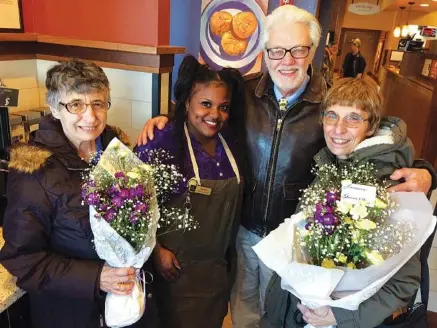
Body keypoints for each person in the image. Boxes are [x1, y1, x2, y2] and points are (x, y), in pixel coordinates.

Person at [136, 5, 435, 327]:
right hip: (243, 234)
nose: (287, 60)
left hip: (297, 241)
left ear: (312, 51)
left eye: (298, 49)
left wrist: (426, 170)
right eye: (277, 50)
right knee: (245, 314)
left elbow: (377, 137)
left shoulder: (331, 102)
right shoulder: (244, 93)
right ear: (265, 52)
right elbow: (202, 109)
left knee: (284, 317)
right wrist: (165, 120)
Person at [0, 59, 153, 328]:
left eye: (97, 103)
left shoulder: (117, 152)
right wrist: (96, 278)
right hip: (70, 314)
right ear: (54, 108)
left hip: (122, 301)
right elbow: (22, 259)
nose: (90, 117)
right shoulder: (34, 172)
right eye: (75, 104)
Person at [261, 76, 421, 328]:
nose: (338, 128)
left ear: (371, 126)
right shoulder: (328, 166)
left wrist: (340, 317)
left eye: (354, 118)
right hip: (295, 312)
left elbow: (405, 282)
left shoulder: (391, 185)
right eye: (332, 115)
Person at [135, 55, 246, 328]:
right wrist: (156, 250)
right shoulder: (162, 140)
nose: (214, 114)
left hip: (217, 272)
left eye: (223, 107)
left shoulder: (229, 141)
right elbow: (133, 206)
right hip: (175, 273)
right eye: (205, 104)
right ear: (187, 102)